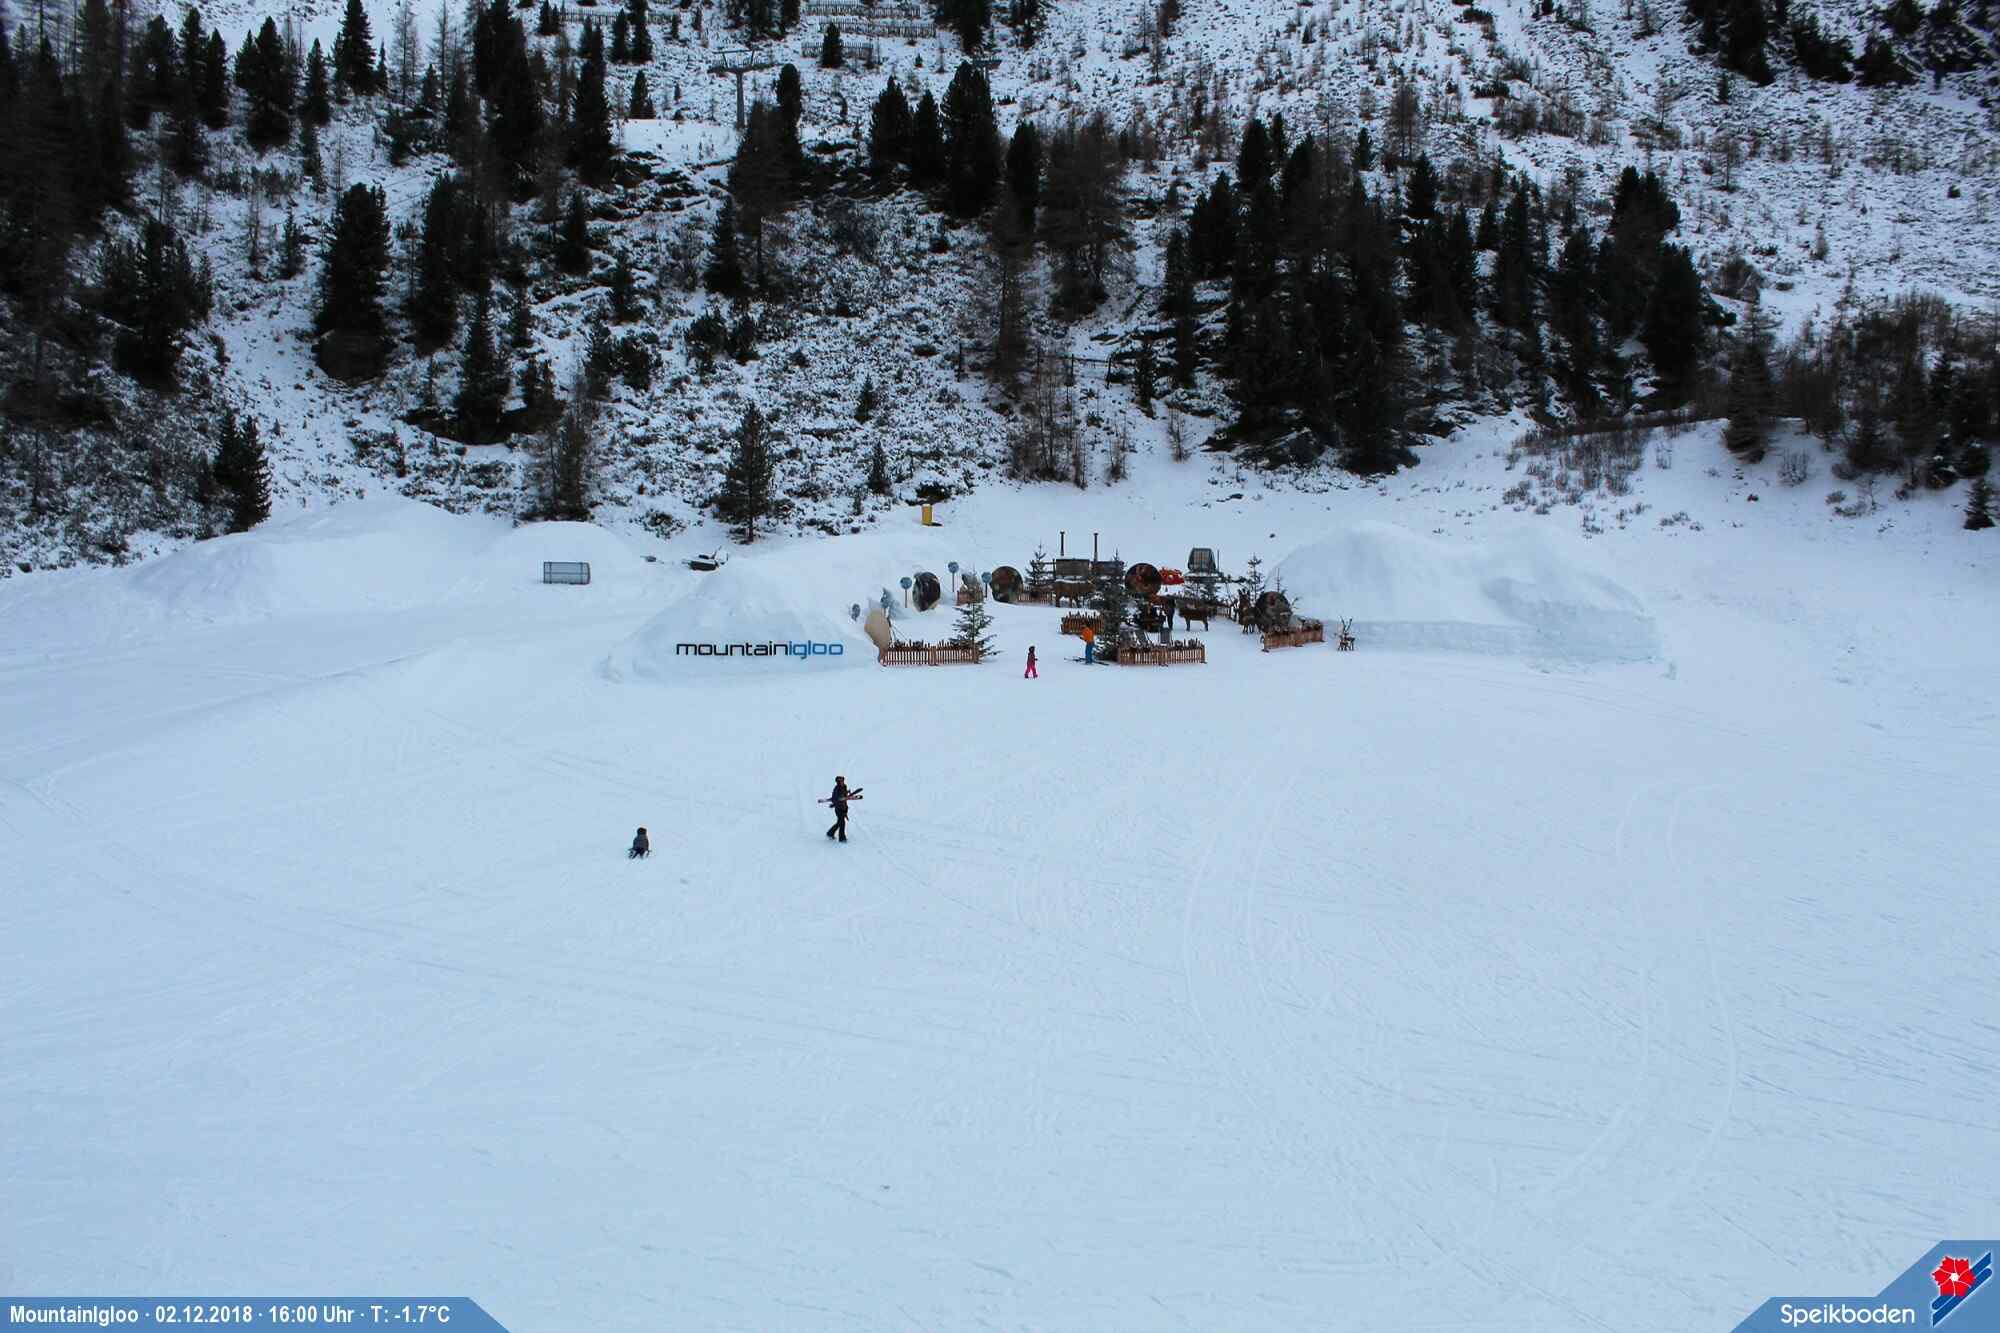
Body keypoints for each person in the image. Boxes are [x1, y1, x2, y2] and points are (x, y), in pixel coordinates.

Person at [825, 776, 854, 843]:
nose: (842, 782)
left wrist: (847, 793)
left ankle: (830, 833)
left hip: (844, 807)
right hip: (838, 809)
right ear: (837, 782)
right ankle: (842, 838)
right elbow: (834, 798)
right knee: (842, 823)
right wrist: (834, 804)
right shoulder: (836, 789)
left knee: (839, 823)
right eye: (840, 781)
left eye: (842, 781)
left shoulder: (844, 787)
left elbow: (844, 795)